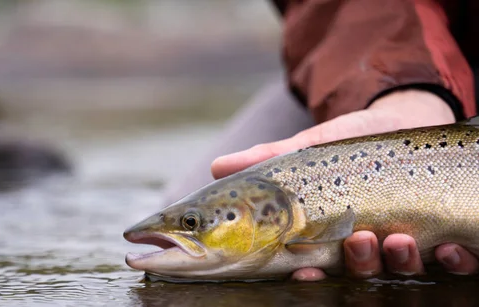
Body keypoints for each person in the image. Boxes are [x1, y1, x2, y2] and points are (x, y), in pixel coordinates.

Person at [164, 0, 479, 281]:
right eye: (192, 222)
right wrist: (405, 91)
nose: (190, 225)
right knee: (180, 206)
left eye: (192, 222)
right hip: (386, 49)